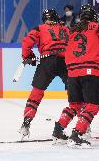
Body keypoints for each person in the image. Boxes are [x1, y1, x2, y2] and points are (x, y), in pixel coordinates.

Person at [52, 5, 99, 147]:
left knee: (74, 105)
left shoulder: (73, 30)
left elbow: (63, 49)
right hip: (90, 72)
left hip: (72, 73)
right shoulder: (97, 27)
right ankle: (77, 134)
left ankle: (58, 130)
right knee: (92, 106)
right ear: (94, 18)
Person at [19, 9, 70, 140]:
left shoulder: (39, 28)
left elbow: (27, 42)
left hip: (47, 61)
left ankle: (26, 123)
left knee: (36, 93)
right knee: (75, 93)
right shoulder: (65, 29)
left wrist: (28, 56)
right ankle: (83, 125)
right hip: (66, 62)